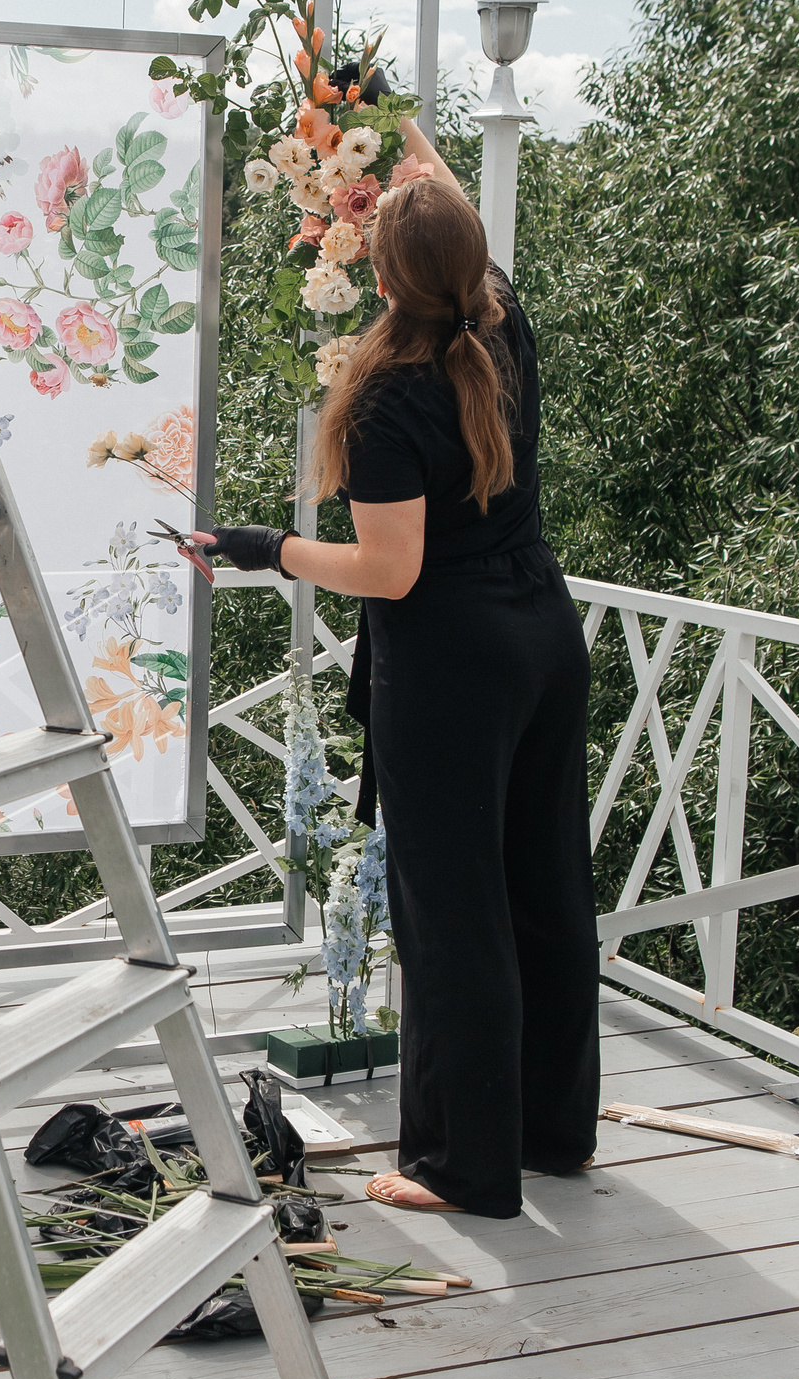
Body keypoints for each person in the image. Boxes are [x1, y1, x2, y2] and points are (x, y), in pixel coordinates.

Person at [199, 119, 598, 1219]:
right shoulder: (498, 319)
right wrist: (398, 123)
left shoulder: (385, 395)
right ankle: (551, 1136)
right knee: (544, 890)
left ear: (377, 274)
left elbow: (386, 569)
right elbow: (446, 213)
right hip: (542, 640)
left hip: (454, 669)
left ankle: (465, 1169)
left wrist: (259, 548)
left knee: (451, 914)